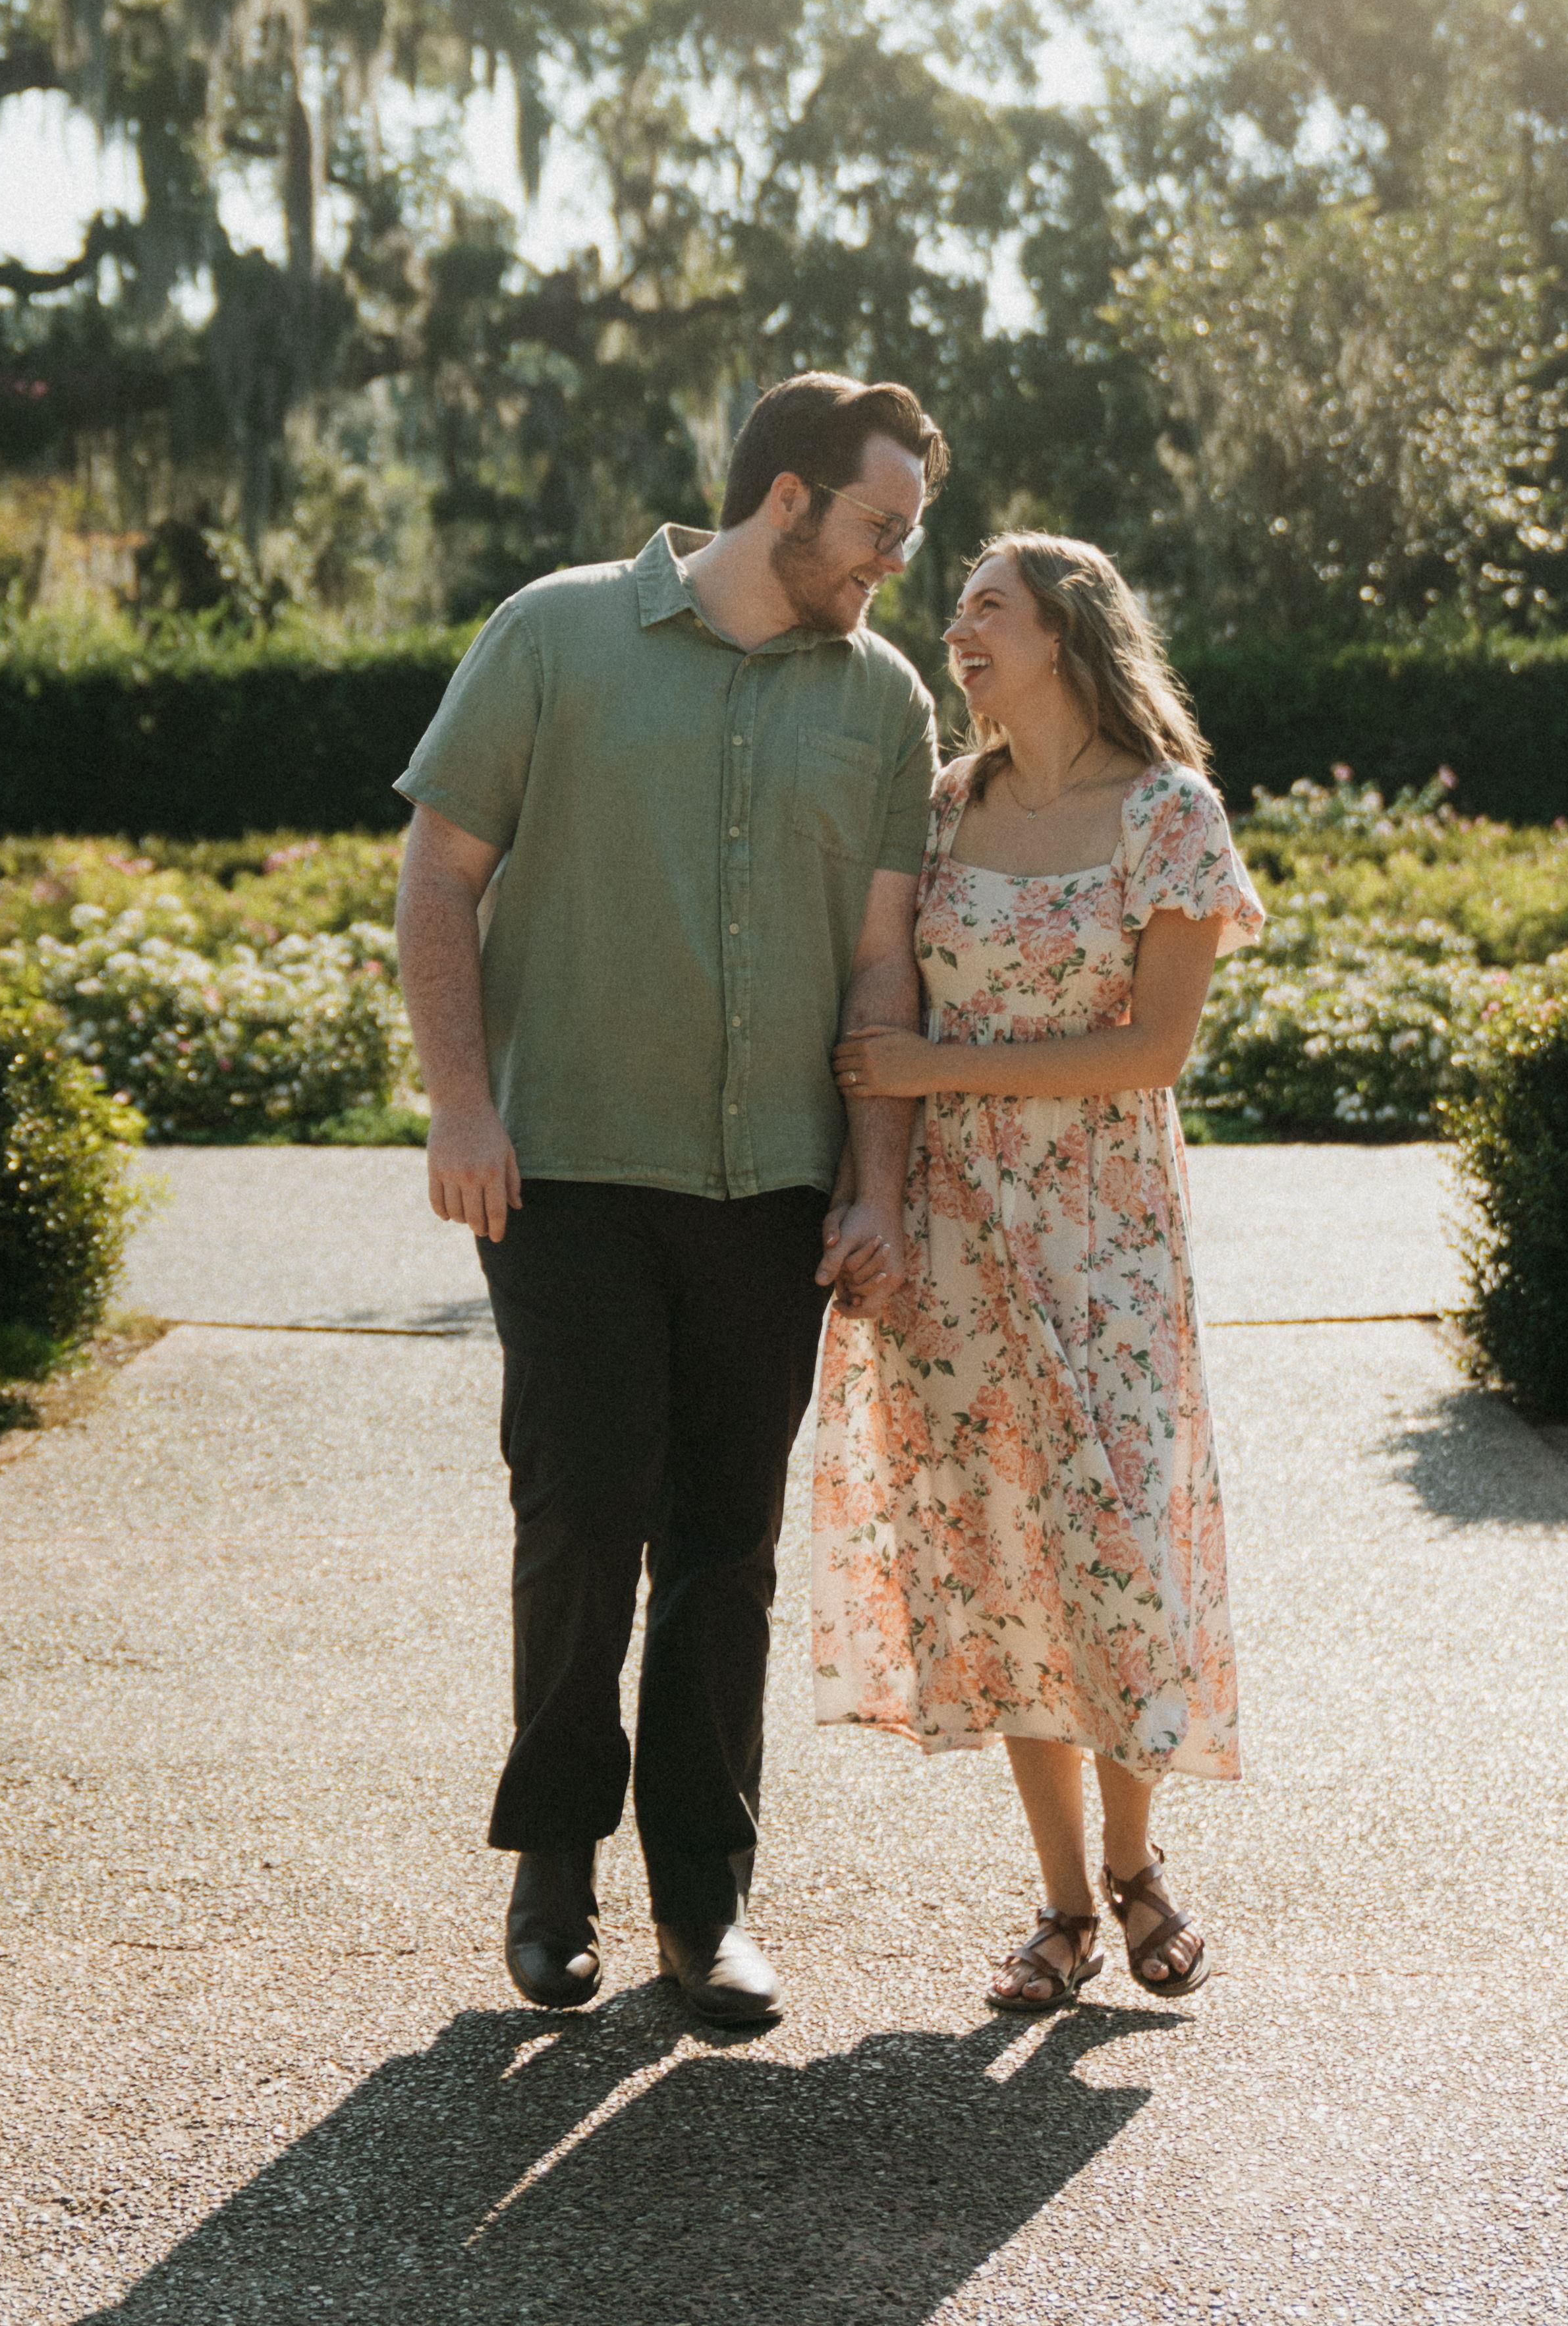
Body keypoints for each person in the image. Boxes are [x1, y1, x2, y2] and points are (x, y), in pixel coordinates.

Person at [392, 373, 946, 2026]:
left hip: (767, 1189)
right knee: (579, 1519)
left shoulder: (883, 698)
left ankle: (704, 1906)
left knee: (726, 1547)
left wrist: (874, 1187)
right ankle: (551, 1867)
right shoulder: (552, 633)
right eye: (878, 526)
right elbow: (438, 874)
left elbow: (881, 962)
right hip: (563, 1168)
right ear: (785, 498)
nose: (894, 561)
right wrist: (461, 1102)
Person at [813, 532, 1264, 2012]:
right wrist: (879, 1177)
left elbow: (1152, 1048)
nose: (956, 627)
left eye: (985, 607)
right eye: (954, 608)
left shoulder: (1169, 812)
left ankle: (1138, 1865)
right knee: (1002, 1550)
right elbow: (883, 988)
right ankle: (1066, 1901)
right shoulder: (948, 806)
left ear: (1064, 633)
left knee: (1115, 1542)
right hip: (958, 1231)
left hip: (1105, 1232)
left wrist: (934, 1067)